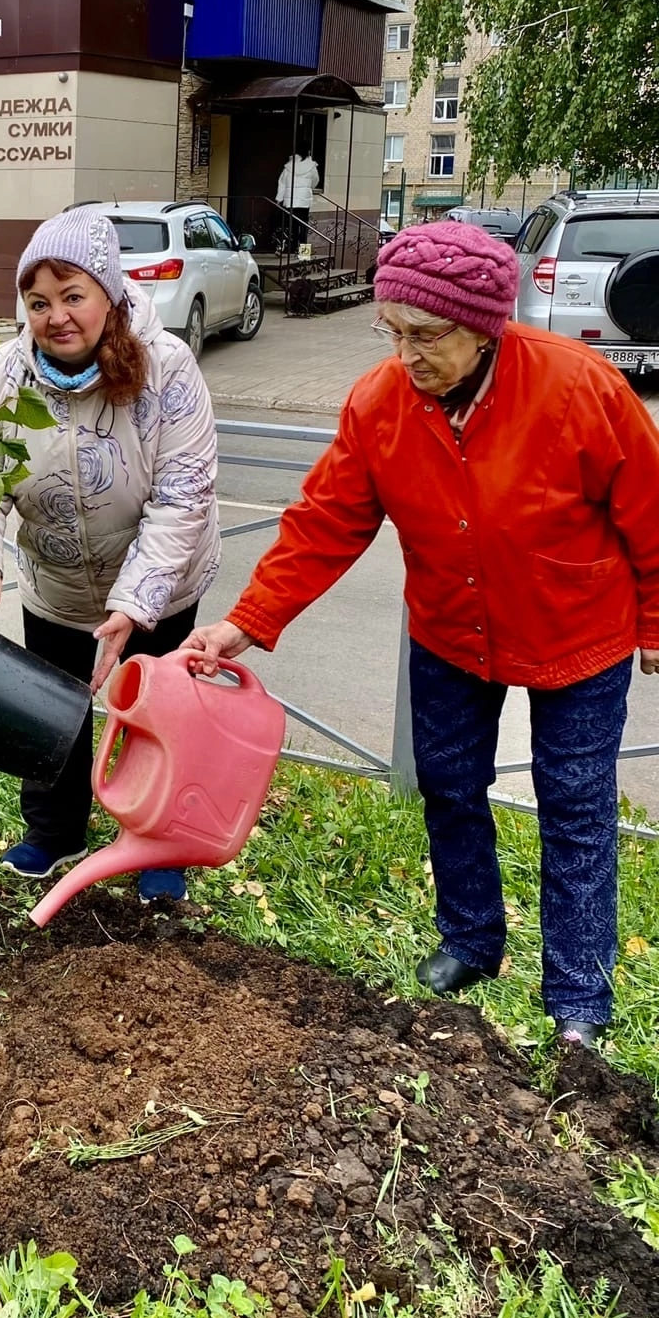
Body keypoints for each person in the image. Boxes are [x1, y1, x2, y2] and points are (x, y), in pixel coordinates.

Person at [183, 220, 659, 1049]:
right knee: (447, 785)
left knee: (574, 811)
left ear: (487, 326)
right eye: (392, 330)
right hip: (452, 633)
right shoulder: (379, 404)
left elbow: (649, 517)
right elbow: (324, 522)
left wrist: (655, 622)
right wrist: (247, 622)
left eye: (428, 335)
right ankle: (472, 941)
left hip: (575, 634)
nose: (406, 354)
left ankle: (578, 999)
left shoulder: (581, 389)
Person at [0, 208, 223, 902]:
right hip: (59, 586)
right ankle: (54, 833)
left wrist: (134, 604)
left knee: (157, 718)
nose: (56, 316)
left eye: (73, 295)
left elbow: (183, 497)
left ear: (109, 293)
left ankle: (160, 846)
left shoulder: (166, 369)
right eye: (38, 302)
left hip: (160, 589)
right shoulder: (7, 375)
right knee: (51, 710)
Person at [275, 150, 319, 254]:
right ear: (308, 152)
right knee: (304, 226)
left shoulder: (289, 167)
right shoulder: (311, 166)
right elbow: (315, 181)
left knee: (292, 226)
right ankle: (304, 254)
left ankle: (292, 249)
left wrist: (279, 198)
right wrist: (308, 188)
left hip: (291, 201)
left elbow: (282, 183)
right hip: (304, 200)